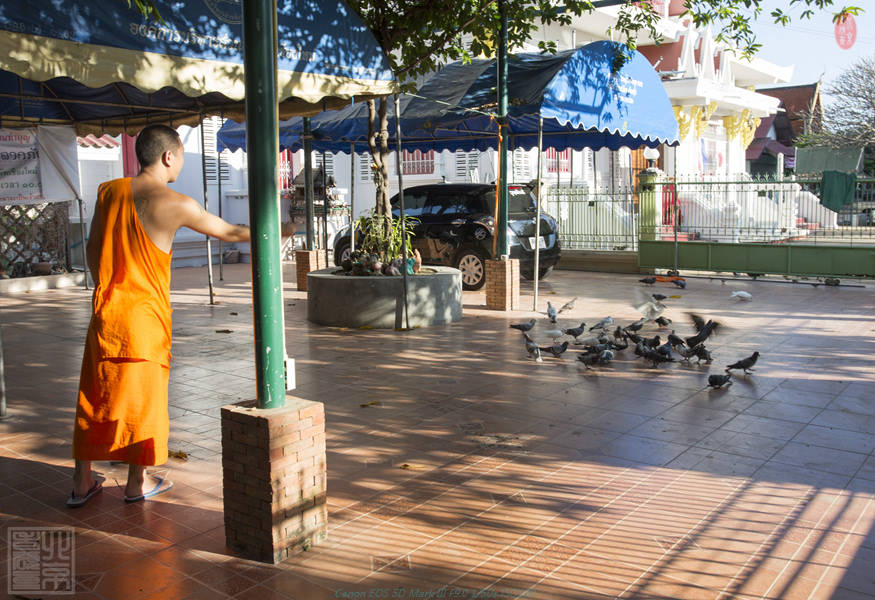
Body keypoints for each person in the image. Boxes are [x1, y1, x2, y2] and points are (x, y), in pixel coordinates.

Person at [68, 124, 250, 507]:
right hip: (145, 320)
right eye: (181, 155)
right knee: (145, 404)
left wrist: (107, 286)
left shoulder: (109, 192)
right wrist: (279, 228)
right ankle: (138, 482)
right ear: (169, 156)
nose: (180, 162)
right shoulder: (177, 203)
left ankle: (82, 480)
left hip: (107, 314)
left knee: (94, 398)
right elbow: (231, 233)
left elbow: (92, 248)